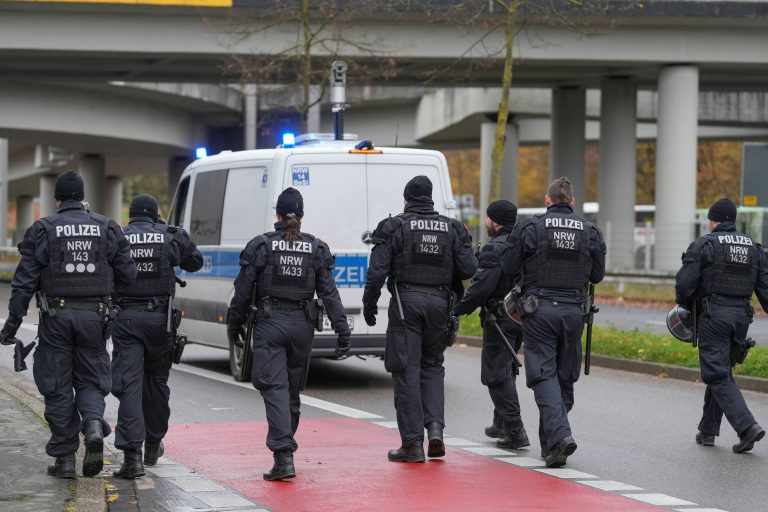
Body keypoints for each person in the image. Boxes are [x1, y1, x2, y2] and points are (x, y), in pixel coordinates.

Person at [0, 170, 136, 479]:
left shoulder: (43, 229)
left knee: (57, 384)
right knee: (90, 380)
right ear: (82, 197)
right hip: (95, 318)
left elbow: (23, 284)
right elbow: (129, 275)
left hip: (56, 318)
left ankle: (64, 461)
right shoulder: (107, 228)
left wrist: (11, 327)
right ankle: (92, 426)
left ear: (57, 199)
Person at [226, 187, 351, 481]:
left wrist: (234, 325)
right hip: (302, 326)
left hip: (270, 325)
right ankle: (285, 449)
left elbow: (242, 292)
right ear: (302, 215)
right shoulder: (317, 248)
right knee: (291, 391)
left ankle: (283, 457)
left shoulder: (261, 246)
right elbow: (329, 293)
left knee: (275, 389)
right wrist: (342, 330)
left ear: (277, 215)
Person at [362, 175, 477, 463]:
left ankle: (412, 445)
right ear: (431, 198)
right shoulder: (451, 228)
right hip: (440, 304)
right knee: (433, 366)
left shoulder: (394, 227)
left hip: (406, 304)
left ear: (406, 199)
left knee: (405, 370)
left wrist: (369, 305)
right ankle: (435, 430)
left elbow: (377, 272)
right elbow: (468, 268)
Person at [502, 177, 605, 468]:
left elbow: (509, 267)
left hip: (540, 311)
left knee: (543, 375)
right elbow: (597, 275)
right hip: (575, 313)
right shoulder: (590, 231)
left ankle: (559, 436)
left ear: (547, 200)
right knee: (564, 375)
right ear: (572, 202)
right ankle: (551, 446)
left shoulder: (530, 227)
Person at [110, 194, 203, 478]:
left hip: (125, 319)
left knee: (129, 386)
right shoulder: (168, 236)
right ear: (155, 215)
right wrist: (169, 231)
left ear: (131, 215)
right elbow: (195, 261)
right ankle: (153, 443)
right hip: (160, 322)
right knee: (157, 384)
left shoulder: (118, 237)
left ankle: (131, 459)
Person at [675, 197, 766, 453]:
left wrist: (685, 305)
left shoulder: (704, 244)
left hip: (714, 316)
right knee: (722, 370)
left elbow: (684, 285)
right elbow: (765, 288)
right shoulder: (753, 248)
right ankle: (707, 430)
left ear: (713, 221)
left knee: (715, 373)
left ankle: (747, 427)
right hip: (741, 319)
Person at [453, 200, 528, 449]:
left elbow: (481, 289)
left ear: (495, 221)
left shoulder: (494, 249)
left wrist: (456, 310)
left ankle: (516, 431)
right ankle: (501, 424)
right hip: (520, 317)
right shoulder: (523, 244)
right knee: (506, 370)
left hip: (499, 319)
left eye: (487, 218)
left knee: (496, 375)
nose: (486, 222)